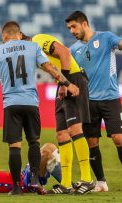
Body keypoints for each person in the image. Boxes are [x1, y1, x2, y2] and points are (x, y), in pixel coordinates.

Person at [0, 21, 79, 195]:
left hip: (11, 104)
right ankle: (35, 180)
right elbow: (50, 68)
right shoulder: (33, 47)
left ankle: (16, 187)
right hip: (31, 102)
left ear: (4, 36)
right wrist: (67, 83)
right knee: (34, 142)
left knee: (14, 146)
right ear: (19, 34)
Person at [65, 10, 122, 192]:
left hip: (110, 98)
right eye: (69, 28)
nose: (72, 31)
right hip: (88, 101)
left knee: (119, 138)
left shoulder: (105, 38)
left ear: (84, 24)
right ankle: (101, 182)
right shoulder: (73, 50)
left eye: (74, 26)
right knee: (91, 142)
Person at [21, 33, 95, 194]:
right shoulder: (32, 54)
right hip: (62, 83)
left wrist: (64, 83)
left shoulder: (37, 41)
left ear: (21, 36)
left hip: (72, 80)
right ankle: (66, 184)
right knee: (61, 134)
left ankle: (87, 179)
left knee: (75, 129)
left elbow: (65, 52)